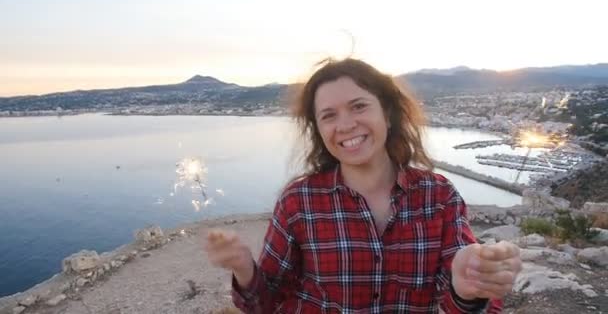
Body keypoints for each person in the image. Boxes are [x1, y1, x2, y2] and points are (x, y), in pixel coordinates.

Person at [205, 58, 522, 313]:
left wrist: (468, 290)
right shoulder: (298, 202)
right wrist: (245, 270)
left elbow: (466, 302)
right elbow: (266, 303)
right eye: (329, 115)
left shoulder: (438, 197)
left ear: (386, 112)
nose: (345, 125)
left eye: (358, 106)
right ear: (319, 129)